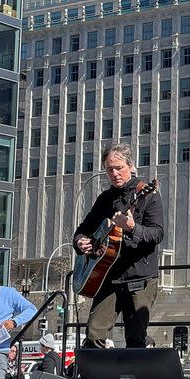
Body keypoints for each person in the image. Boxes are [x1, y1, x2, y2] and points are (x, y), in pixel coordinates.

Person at [73, 143, 165, 349]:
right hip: (107, 278)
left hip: (139, 278)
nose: (114, 173)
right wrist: (81, 242)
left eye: (119, 168)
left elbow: (158, 233)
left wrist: (132, 228)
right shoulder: (104, 199)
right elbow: (82, 230)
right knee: (93, 335)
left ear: (130, 166)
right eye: (109, 169)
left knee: (135, 339)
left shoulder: (148, 194)